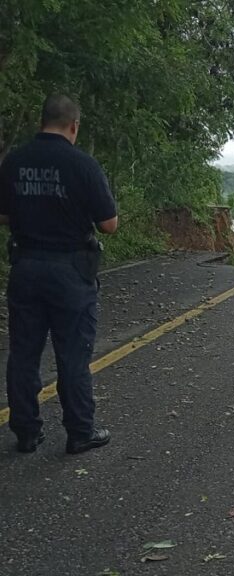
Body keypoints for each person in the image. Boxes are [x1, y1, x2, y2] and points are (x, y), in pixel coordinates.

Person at [0, 94, 118, 455]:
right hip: (70, 271)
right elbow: (109, 224)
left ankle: (26, 432)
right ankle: (80, 432)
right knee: (72, 354)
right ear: (74, 126)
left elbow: (3, 215)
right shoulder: (82, 165)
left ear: (41, 122)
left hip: (26, 267)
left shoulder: (14, 162)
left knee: (23, 352)